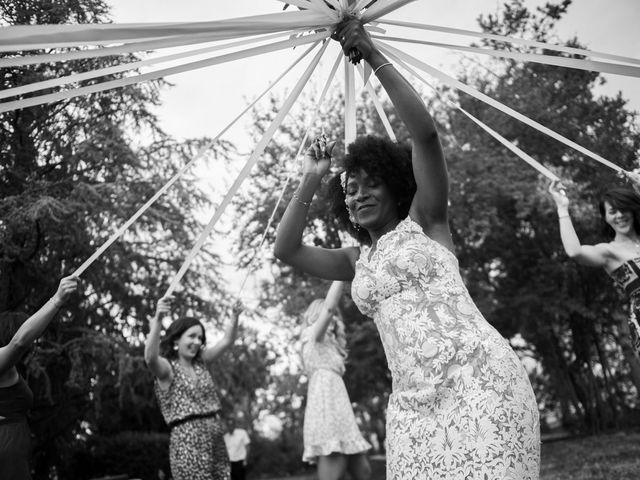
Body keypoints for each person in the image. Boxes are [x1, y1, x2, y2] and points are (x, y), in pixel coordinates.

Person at [274, 18, 540, 479]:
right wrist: (314, 175)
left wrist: (372, 53)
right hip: (412, 408)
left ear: (398, 187)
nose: (357, 195)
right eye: (350, 189)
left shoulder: (426, 220)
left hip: (480, 380)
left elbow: (426, 136)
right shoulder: (356, 262)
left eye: (371, 183)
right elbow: (287, 250)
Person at [144, 296, 243, 480]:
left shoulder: (201, 363)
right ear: (176, 340)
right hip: (188, 440)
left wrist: (234, 316)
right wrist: (158, 320)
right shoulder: (167, 369)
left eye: (200, 337)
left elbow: (227, 341)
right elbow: (150, 358)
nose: (197, 341)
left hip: (215, 437)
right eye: (191, 336)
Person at [0, 275, 78, 480]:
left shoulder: (10, 368)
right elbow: (20, 341)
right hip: (5, 447)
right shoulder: (2, 362)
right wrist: (57, 300)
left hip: (13, 447)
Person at [550, 181, 640, 356]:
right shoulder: (609, 252)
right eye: (613, 212)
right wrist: (562, 208)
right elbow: (574, 251)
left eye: (624, 209)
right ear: (606, 217)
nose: (620, 215)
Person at [300, 280, 371, 480]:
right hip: (326, 406)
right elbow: (330, 308)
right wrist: (340, 276)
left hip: (341, 408)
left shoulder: (331, 345)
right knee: (334, 466)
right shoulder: (313, 336)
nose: (331, 319)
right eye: (324, 316)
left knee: (363, 471)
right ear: (316, 315)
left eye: (332, 318)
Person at [223, 415, 251, 480]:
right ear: (227, 425)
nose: (230, 426)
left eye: (232, 424)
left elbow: (248, 447)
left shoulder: (242, 433)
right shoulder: (225, 437)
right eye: (229, 425)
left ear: (234, 424)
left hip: (240, 462)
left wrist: (245, 460)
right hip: (230, 463)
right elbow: (225, 451)